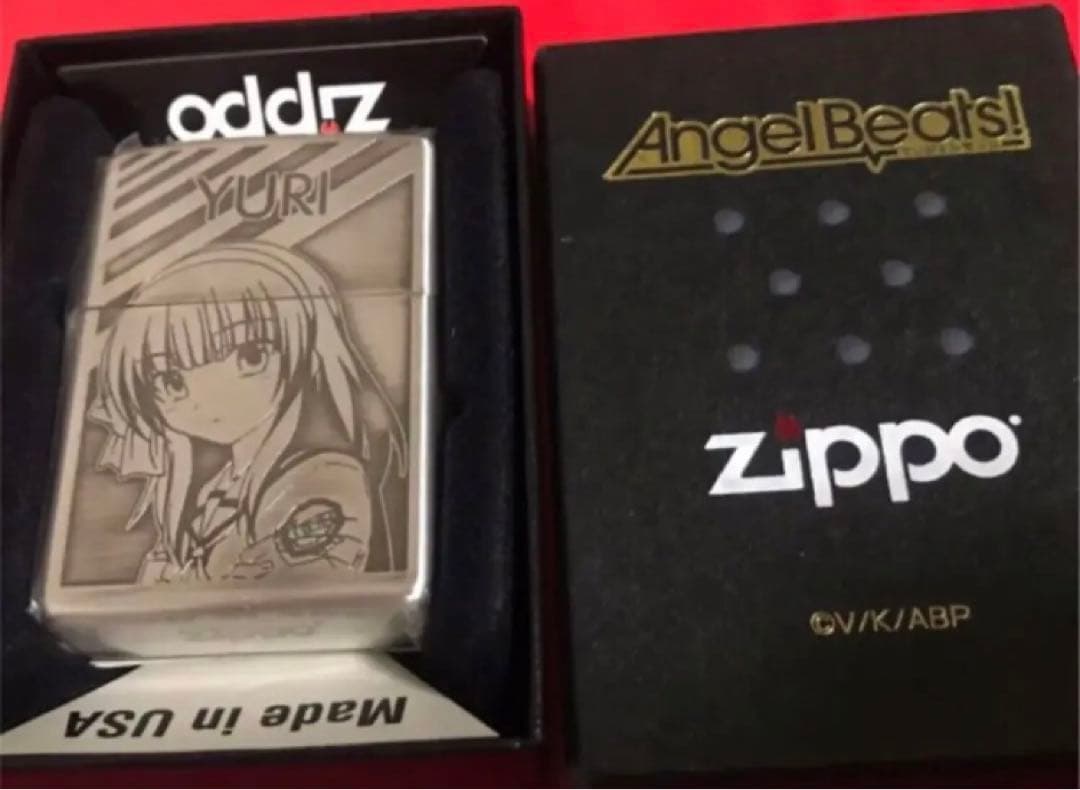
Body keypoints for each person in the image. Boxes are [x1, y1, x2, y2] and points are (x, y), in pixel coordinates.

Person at [87, 241, 407, 583]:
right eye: (171, 380)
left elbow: (296, 586)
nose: (209, 395)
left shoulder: (323, 478)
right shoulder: (216, 487)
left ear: (304, 350)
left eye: (250, 356)